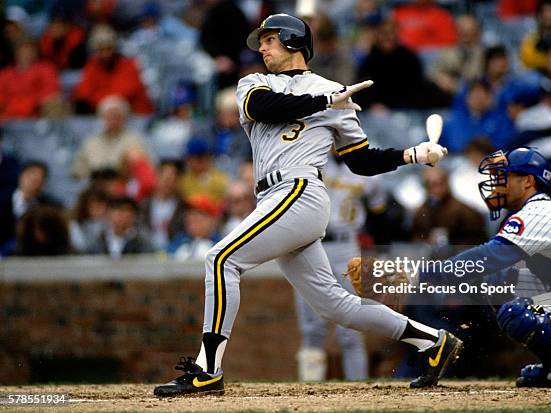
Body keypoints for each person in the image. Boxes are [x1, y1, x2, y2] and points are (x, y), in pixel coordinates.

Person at [153, 13, 459, 397]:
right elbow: (266, 107)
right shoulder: (255, 82)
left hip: (299, 191)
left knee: (221, 260)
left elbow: (361, 160)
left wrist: (413, 154)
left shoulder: (335, 91)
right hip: (275, 197)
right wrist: (325, 101)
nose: (261, 47)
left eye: (269, 40)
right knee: (335, 306)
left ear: (293, 41)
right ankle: (432, 341)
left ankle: (207, 368)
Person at [418, 147, 551, 388]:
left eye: (505, 176)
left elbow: (487, 257)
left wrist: (420, 276)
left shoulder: (539, 212)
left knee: (518, 312)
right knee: (497, 283)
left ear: (529, 181)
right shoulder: (548, 209)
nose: (498, 184)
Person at [294, 151, 387, 382]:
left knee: (352, 327)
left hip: (347, 245)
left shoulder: (366, 169)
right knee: (311, 327)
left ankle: (358, 390)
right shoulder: (308, 158)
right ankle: (308, 392)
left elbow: (380, 213)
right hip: (309, 243)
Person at [72, 24, 153, 114]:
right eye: (101, 49)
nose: (105, 53)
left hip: (136, 115)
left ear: (115, 48)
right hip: (104, 113)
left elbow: (125, 93)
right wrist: (100, 99)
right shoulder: (92, 65)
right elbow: (83, 92)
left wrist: (98, 98)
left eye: (109, 48)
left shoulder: (128, 64)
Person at [71, 96, 150, 181]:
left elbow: (147, 171)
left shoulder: (135, 140)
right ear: (101, 118)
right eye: (109, 116)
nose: (113, 120)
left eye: (117, 116)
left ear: (125, 119)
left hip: (124, 188)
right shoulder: (91, 142)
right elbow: (77, 173)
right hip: (95, 187)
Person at [87, 196, 155, 258]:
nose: (122, 215)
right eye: (118, 210)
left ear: (134, 216)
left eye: (126, 210)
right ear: (109, 213)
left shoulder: (142, 242)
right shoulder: (98, 240)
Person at [167, 194, 221, 261]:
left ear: (213, 219)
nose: (191, 218)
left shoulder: (221, 246)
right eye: (189, 213)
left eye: (199, 213)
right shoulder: (178, 241)